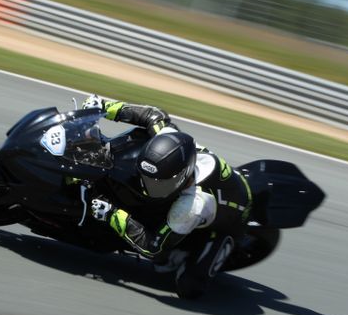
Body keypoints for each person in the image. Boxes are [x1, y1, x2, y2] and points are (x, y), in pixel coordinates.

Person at [82, 94, 252, 298]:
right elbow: (153, 115)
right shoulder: (171, 140)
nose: (148, 186)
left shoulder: (190, 207)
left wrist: (112, 214)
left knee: (189, 287)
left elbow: (154, 248)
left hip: (230, 219)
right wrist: (103, 107)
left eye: (157, 183)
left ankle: (223, 244)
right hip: (221, 184)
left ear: (181, 177)